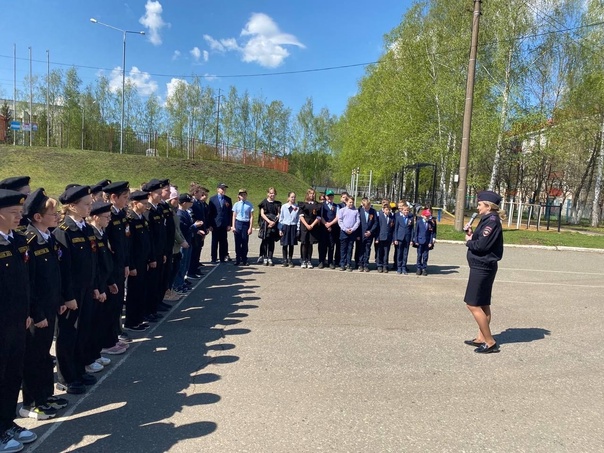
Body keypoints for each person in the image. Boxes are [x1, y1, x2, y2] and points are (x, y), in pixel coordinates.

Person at [21, 190, 69, 421]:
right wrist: (37, 312)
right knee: (34, 358)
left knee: (43, 356)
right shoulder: (29, 241)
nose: (58, 216)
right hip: (38, 312)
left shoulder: (47, 237)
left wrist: (59, 301)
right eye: (53, 213)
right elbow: (29, 283)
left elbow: (54, 277)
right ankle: (31, 402)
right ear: (38, 217)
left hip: (50, 307)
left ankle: (45, 395)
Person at [0, 189, 39, 452]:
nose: (19, 217)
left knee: (12, 374)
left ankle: (6, 423)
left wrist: (26, 313)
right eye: (13, 213)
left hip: (16, 321)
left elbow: (22, 283)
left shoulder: (15, 240)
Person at [53, 185, 100, 395]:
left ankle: (79, 370)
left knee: (83, 331)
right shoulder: (63, 231)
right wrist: (68, 296)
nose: (90, 207)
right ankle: (66, 377)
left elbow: (93, 261)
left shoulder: (87, 229)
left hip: (87, 289)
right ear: (72, 206)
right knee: (67, 334)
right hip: (72, 293)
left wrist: (96, 286)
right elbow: (64, 269)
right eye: (86, 204)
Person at [463, 190, 505, 354]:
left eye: (480, 204)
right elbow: (481, 240)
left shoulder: (491, 222)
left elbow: (482, 246)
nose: (477, 207)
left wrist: (469, 242)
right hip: (482, 265)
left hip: (483, 267)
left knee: (472, 304)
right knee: (483, 303)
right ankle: (482, 337)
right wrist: (472, 235)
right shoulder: (487, 219)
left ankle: (490, 342)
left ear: (488, 206)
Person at [101, 181, 132, 351]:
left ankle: (114, 336)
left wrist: (126, 263)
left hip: (120, 266)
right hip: (111, 268)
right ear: (114, 197)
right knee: (111, 306)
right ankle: (108, 341)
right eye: (125, 197)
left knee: (118, 304)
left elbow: (124, 243)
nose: (127, 201)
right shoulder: (109, 216)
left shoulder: (120, 214)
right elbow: (107, 246)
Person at [124, 190, 154, 332]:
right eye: (144, 203)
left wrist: (149, 258)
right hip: (135, 263)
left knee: (141, 290)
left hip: (143, 261)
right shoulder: (131, 220)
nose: (146, 205)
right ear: (135, 203)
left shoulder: (142, 218)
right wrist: (131, 265)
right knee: (134, 293)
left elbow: (147, 240)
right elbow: (129, 246)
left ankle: (138, 318)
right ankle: (131, 321)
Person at [208, 183, 232, 263]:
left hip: (224, 224)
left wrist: (229, 224)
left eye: (225, 188)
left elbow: (229, 213)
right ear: (218, 189)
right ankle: (213, 258)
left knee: (223, 241)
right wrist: (210, 224)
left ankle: (222, 258)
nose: (223, 190)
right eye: (222, 188)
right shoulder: (212, 199)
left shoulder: (228, 199)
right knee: (214, 242)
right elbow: (210, 213)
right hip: (215, 224)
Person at [258, 188, 281, 266]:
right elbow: (262, 214)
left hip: (274, 224)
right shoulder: (264, 203)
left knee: (271, 241)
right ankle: (264, 257)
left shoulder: (277, 204)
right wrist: (269, 221)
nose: (272, 195)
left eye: (274, 193)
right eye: (271, 193)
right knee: (265, 241)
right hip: (265, 224)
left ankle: (270, 258)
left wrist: (274, 222)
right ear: (268, 194)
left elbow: (278, 214)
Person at [298, 189, 321, 268]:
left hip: (313, 226)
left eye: (313, 194)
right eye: (311, 194)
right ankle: (303, 260)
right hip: (304, 226)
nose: (312, 195)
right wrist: (306, 225)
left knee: (310, 244)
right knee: (304, 243)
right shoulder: (303, 204)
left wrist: (312, 225)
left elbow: (318, 217)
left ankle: (309, 260)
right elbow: (301, 216)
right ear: (307, 194)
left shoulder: (317, 205)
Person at [231, 189, 254, 266]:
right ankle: (238, 259)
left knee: (244, 242)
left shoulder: (249, 204)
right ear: (239, 196)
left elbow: (251, 216)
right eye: (241, 195)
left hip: (245, 223)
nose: (243, 196)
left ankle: (244, 259)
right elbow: (234, 216)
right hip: (238, 223)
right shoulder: (236, 204)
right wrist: (233, 226)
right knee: (237, 242)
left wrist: (250, 227)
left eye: (244, 195)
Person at [337, 197, 360, 271]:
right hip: (344, 232)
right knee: (343, 249)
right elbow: (340, 221)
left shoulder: (356, 211)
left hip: (352, 232)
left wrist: (352, 229)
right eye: (350, 202)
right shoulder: (342, 210)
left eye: (352, 202)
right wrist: (345, 229)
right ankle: (342, 264)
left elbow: (357, 221)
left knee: (350, 249)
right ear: (346, 202)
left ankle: (348, 264)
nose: (351, 204)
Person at [411, 208, 437, 275]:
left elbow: (431, 233)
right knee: (419, 255)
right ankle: (419, 268)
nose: (427, 217)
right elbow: (416, 232)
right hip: (420, 241)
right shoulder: (419, 222)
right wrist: (415, 240)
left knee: (425, 256)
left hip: (427, 242)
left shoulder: (430, 223)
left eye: (428, 216)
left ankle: (424, 268)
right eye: (426, 216)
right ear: (422, 216)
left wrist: (431, 242)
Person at [278, 192, 300, 268]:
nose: (293, 198)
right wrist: (280, 229)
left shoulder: (297, 207)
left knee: (291, 244)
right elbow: (281, 218)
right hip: (285, 226)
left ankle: (290, 259)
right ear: (288, 198)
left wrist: (298, 228)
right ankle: (284, 259)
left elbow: (298, 219)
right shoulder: (284, 207)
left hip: (293, 226)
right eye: (291, 197)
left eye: (294, 197)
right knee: (285, 244)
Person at [318, 190, 339, 269]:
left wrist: (330, 224)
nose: (330, 197)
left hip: (333, 228)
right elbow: (320, 216)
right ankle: (321, 261)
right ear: (326, 197)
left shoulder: (336, 206)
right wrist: (326, 224)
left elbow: (337, 217)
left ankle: (330, 262)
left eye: (331, 196)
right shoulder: (322, 205)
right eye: (328, 196)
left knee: (331, 246)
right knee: (322, 245)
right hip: (323, 228)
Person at [357, 198, 378, 272]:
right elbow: (357, 223)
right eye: (366, 206)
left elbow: (375, 222)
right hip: (361, 233)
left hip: (369, 234)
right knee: (361, 249)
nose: (367, 208)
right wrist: (358, 234)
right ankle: (360, 264)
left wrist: (371, 231)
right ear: (363, 205)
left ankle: (366, 264)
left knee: (367, 249)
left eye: (368, 206)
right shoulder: (359, 211)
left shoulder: (373, 211)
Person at [393, 201, 413, 275]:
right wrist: (395, 239)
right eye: (405, 210)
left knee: (405, 253)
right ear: (402, 210)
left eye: (407, 210)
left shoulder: (411, 218)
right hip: (400, 238)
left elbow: (412, 229)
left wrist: (411, 239)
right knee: (399, 253)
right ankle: (399, 267)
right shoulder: (398, 218)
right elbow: (396, 229)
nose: (406, 211)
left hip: (407, 238)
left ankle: (404, 267)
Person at [375, 203, 394, 273]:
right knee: (379, 252)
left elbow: (392, 229)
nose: (388, 211)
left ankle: (385, 265)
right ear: (383, 210)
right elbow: (377, 228)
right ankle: (379, 265)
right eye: (386, 210)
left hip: (388, 238)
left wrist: (392, 239)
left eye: (389, 210)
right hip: (380, 237)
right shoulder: (380, 216)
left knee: (386, 253)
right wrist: (377, 238)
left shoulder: (391, 217)